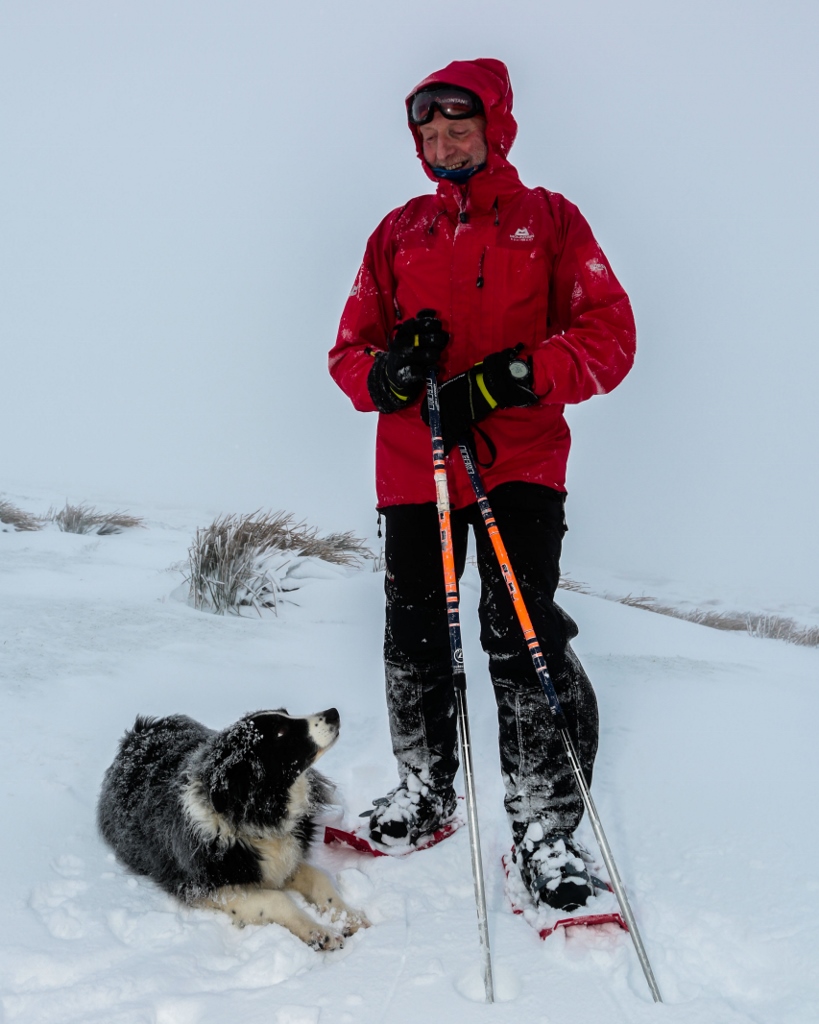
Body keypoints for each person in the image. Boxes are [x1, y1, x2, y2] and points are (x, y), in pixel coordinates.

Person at [328, 58, 635, 911]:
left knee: (520, 632)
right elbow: (349, 354)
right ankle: (424, 792)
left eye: (457, 127)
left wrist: (509, 378)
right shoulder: (399, 232)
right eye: (428, 132)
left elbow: (608, 337)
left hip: (518, 462)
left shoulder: (549, 221)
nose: (442, 143)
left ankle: (544, 827)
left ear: (494, 126)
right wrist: (390, 373)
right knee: (415, 633)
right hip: (413, 465)